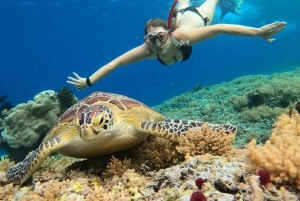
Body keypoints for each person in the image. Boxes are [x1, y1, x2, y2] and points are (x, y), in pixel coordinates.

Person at [67, 0, 286, 91]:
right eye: (150, 40)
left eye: (159, 38)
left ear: (168, 34)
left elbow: (220, 29)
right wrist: (89, 81)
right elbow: (115, 63)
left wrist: (258, 32)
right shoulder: (148, 51)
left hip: (195, 19)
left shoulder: (181, 36)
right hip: (179, 19)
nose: (156, 45)